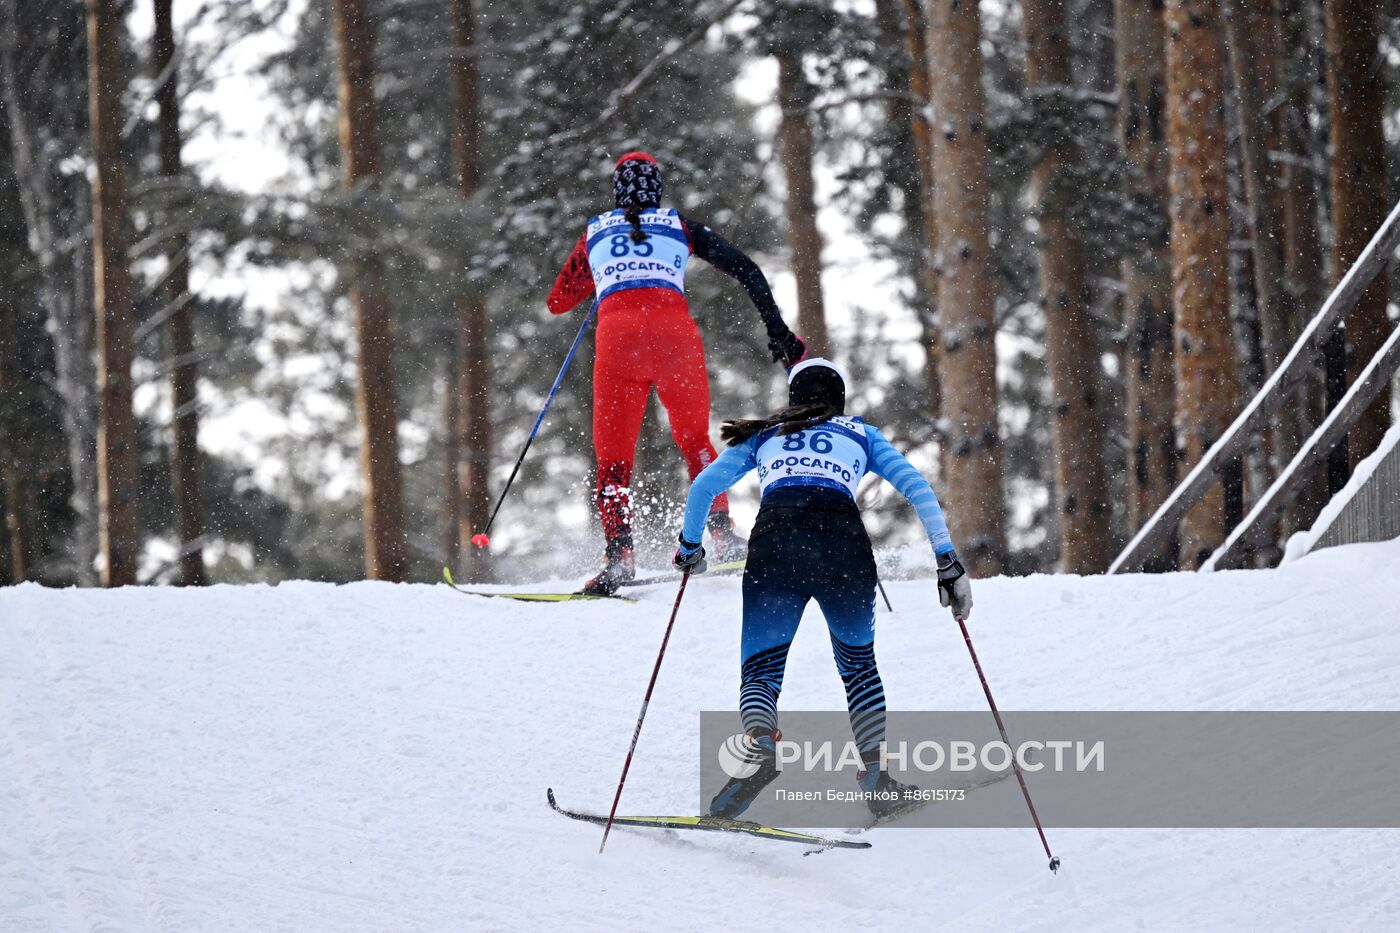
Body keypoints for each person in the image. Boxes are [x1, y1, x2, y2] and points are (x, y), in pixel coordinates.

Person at [671, 359, 973, 819]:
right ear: (840, 400)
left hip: (776, 542)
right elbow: (917, 487)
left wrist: (690, 548)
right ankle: (875, 776)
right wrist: (946, 561)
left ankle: (759, 751)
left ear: (794, 397)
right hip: (842, 545)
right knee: (859, 669)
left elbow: (704, 486)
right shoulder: (860, 433)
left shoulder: (765, 434)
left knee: (762, 671)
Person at [548, 151, 806, 595]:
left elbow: (558, 300)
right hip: (674, 338)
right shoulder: (679, 225)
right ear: (656, 191)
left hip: (618, 342)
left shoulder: (594, 231)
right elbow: (746, 268)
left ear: (617, 193)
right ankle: (723, 536)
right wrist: (778, 330)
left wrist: (601, 277)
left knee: (613, 459)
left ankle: (619, 557)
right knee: (694, 441)